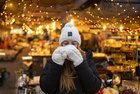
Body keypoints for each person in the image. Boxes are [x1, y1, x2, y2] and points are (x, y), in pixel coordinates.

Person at [40, 23, 101, 94]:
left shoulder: (86, 58)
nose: (70, 47)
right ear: (61, 45)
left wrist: (80, 63)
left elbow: (94, 88)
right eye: (66, 43)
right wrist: (56, 64)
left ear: (78, 45)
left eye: (73, 43)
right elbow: (47, 88)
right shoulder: (55, 58)